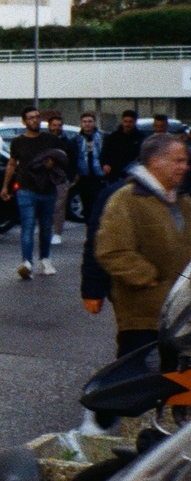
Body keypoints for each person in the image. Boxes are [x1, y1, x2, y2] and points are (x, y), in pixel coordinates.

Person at [91, 132, 191, 361]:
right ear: (156, 161)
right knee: (138, 381)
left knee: (173, 383)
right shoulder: (125, 199)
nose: (185, 167)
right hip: (142, 317)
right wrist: (151, 279)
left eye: (186, 161)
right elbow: (112, 251)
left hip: (180, 315)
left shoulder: (183, 200)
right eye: (178, 161)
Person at [2, 106, 67, 279]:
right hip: (26, 189)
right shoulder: (18, 142)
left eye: (37, 117)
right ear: (24, 122)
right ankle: (26, 263)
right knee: (28, 226)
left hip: (47, 188)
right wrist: (5, 186)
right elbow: (12, 164)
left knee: (46, 227)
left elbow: (64, 158)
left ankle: (45, 259)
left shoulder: (50, 140)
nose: (35, 120)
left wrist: (54, 163)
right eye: (31, 118)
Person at [73, 112, 108, 228]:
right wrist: (75, 173)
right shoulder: (76, 139)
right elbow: (72, 157)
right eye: (85, 122)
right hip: (84, 177)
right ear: (81, 123)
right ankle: (90, 230)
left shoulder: (103, 137)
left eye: (90, 121)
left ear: (94, 123)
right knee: (87, 205)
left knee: (99, 204)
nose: (87, 124)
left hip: (99, 176)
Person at [46, 112, 76, 245]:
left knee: (59, 206)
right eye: (54, 125)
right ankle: (45, 232)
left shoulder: (67, 142)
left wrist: (70, 178)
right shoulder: (43, 140)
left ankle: (57, 233)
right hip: (44, 178)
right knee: (45, 206)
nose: (57, 127)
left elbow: (73, 161)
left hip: (61, 179)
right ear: (49, 126)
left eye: (59, 125)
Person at [103, 109, 144, 182]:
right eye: (125, 121)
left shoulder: (140, 137)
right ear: (122, 121)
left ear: (135, 122)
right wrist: (105, 164)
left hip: (134, 174)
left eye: (130, 122)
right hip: (115, 174)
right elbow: (104, 153)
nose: (127, 124)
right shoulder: (113, 137)